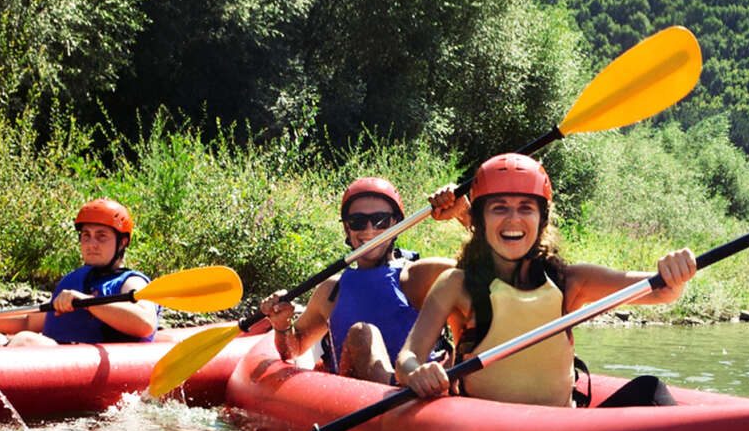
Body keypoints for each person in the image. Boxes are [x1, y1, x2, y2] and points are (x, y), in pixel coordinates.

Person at [395, 153, 698, 408]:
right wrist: (416, 373)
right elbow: (408, 357)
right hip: (489, 430)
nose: (513, 219)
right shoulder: (456, 284)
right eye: (499, 208)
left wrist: (675, 272)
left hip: (560, 429)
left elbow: (661, 293)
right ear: (480, 219)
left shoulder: (570, 281)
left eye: (526, 208)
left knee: (650, 390)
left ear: (541, 219)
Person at [257, 177, 456, 383]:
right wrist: (281, 325)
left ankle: (403, 383)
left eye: (381, 220)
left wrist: (464, 215)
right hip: (355, 399)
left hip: (420, 392)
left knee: (362, 333)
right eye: (358, 222)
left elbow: (483, 274)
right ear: (347, 229)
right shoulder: (331, 290)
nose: (369, 230)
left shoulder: (417, 276)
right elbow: (294, 349)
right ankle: (393, 384)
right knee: (361, 334)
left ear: (396, 224)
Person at [0, 198, 159, 346]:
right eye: (86, 235)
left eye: (101, 236)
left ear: (122, 242)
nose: (91, 244)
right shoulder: (76, 279)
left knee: (26, 341)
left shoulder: (131, 282)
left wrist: (87, 302)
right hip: (61, 360)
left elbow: (145, 323)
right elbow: (29, 323)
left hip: (97, 369)